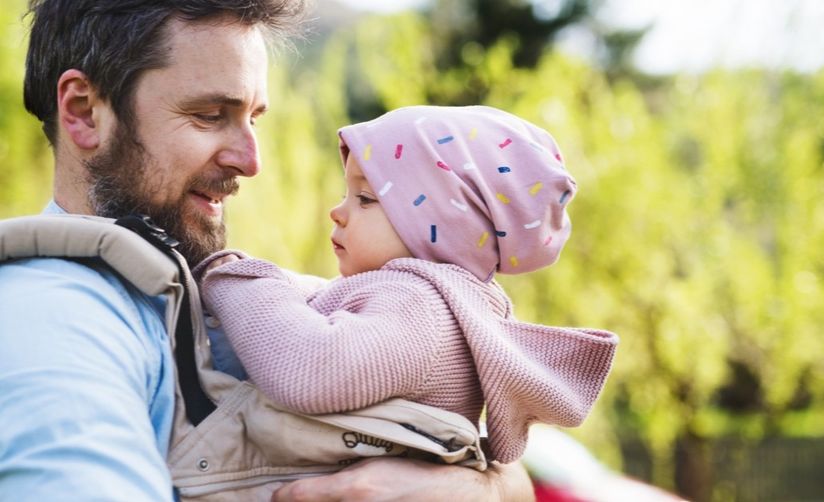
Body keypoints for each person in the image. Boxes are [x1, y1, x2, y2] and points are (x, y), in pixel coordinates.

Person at [0, 1, 534, 500]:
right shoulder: (52, 321)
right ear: (84, 111)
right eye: (210, 114)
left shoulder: (219, 293)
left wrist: (486, 489)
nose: (251, 160)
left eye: (253, 118)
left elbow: (499, 456)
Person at [196, 105, 619, 467]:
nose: (337, 212)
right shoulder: (434, 300)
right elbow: (319, 302)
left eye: (365, 199)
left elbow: (312, 369)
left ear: (442, 226)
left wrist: (238, 278)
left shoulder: (421, 305)